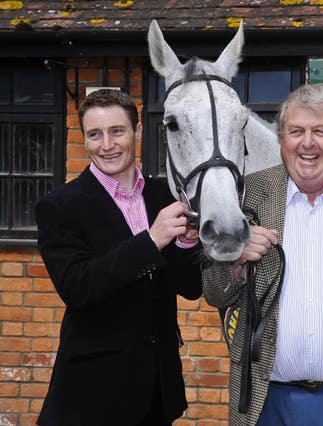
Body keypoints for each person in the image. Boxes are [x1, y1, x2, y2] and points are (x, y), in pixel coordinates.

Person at [201, 83, 323, 425]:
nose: (307, 143)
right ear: (281, 140)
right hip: (265, 399)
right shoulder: (247, 194)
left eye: (320, 131)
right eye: (296, 132)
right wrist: (235, 259)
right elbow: (214, 292)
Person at [35, 89, 203, 426]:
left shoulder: (164, 196)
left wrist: (186, 245)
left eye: (117, 131)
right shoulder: (60, 206)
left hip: (158, 391)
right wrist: (152, 240)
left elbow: (190, 288)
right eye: (95, 134)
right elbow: (78, 287)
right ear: (84, 138)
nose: (106, 144)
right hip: (92, 396)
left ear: (137, 132)